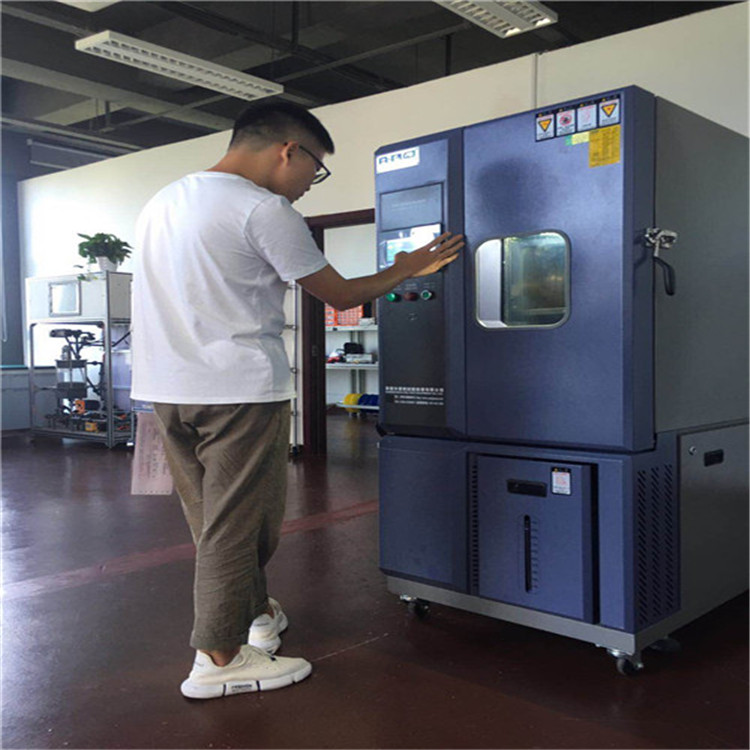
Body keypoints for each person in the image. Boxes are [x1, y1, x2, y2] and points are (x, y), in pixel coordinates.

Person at [130, 100, 463, 700]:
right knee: (240, 526)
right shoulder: (263, 208)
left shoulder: (165, 200)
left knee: (211, 519)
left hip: (164, 389)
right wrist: (409, 267)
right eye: (316, 167)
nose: (312, 181)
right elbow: (340, 294)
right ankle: (219, 658)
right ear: (289, 150)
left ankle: (255, 613)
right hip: (236, 391)